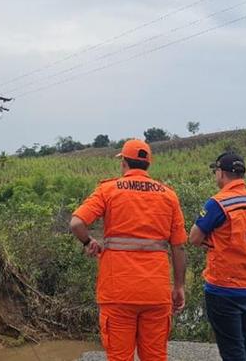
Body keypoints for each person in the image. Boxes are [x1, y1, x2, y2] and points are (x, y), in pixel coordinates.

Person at [69, 139, 187, 361]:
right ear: (148, 165)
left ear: (124, 162)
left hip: (118, 292)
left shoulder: (108, 190)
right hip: (156, 292)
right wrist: (179, 286)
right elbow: (178, 246)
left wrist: (88, 243)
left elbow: (76, 223)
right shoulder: (169, 195)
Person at [189, 152, 246, 361]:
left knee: (232, 351)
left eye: (215, 171)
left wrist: (215, 242)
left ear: (221, 173)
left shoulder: (218, 203)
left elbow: (194, 237)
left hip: (223, 288)